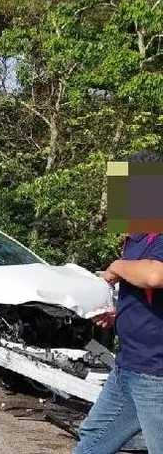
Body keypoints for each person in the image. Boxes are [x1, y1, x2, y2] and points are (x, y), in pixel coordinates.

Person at [74, 151, 163, 454]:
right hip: (128, 366)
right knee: (93, 438)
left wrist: (115, 267)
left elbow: (155, 275)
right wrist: (118, 316)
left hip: (156, 375)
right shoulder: (136, 238)